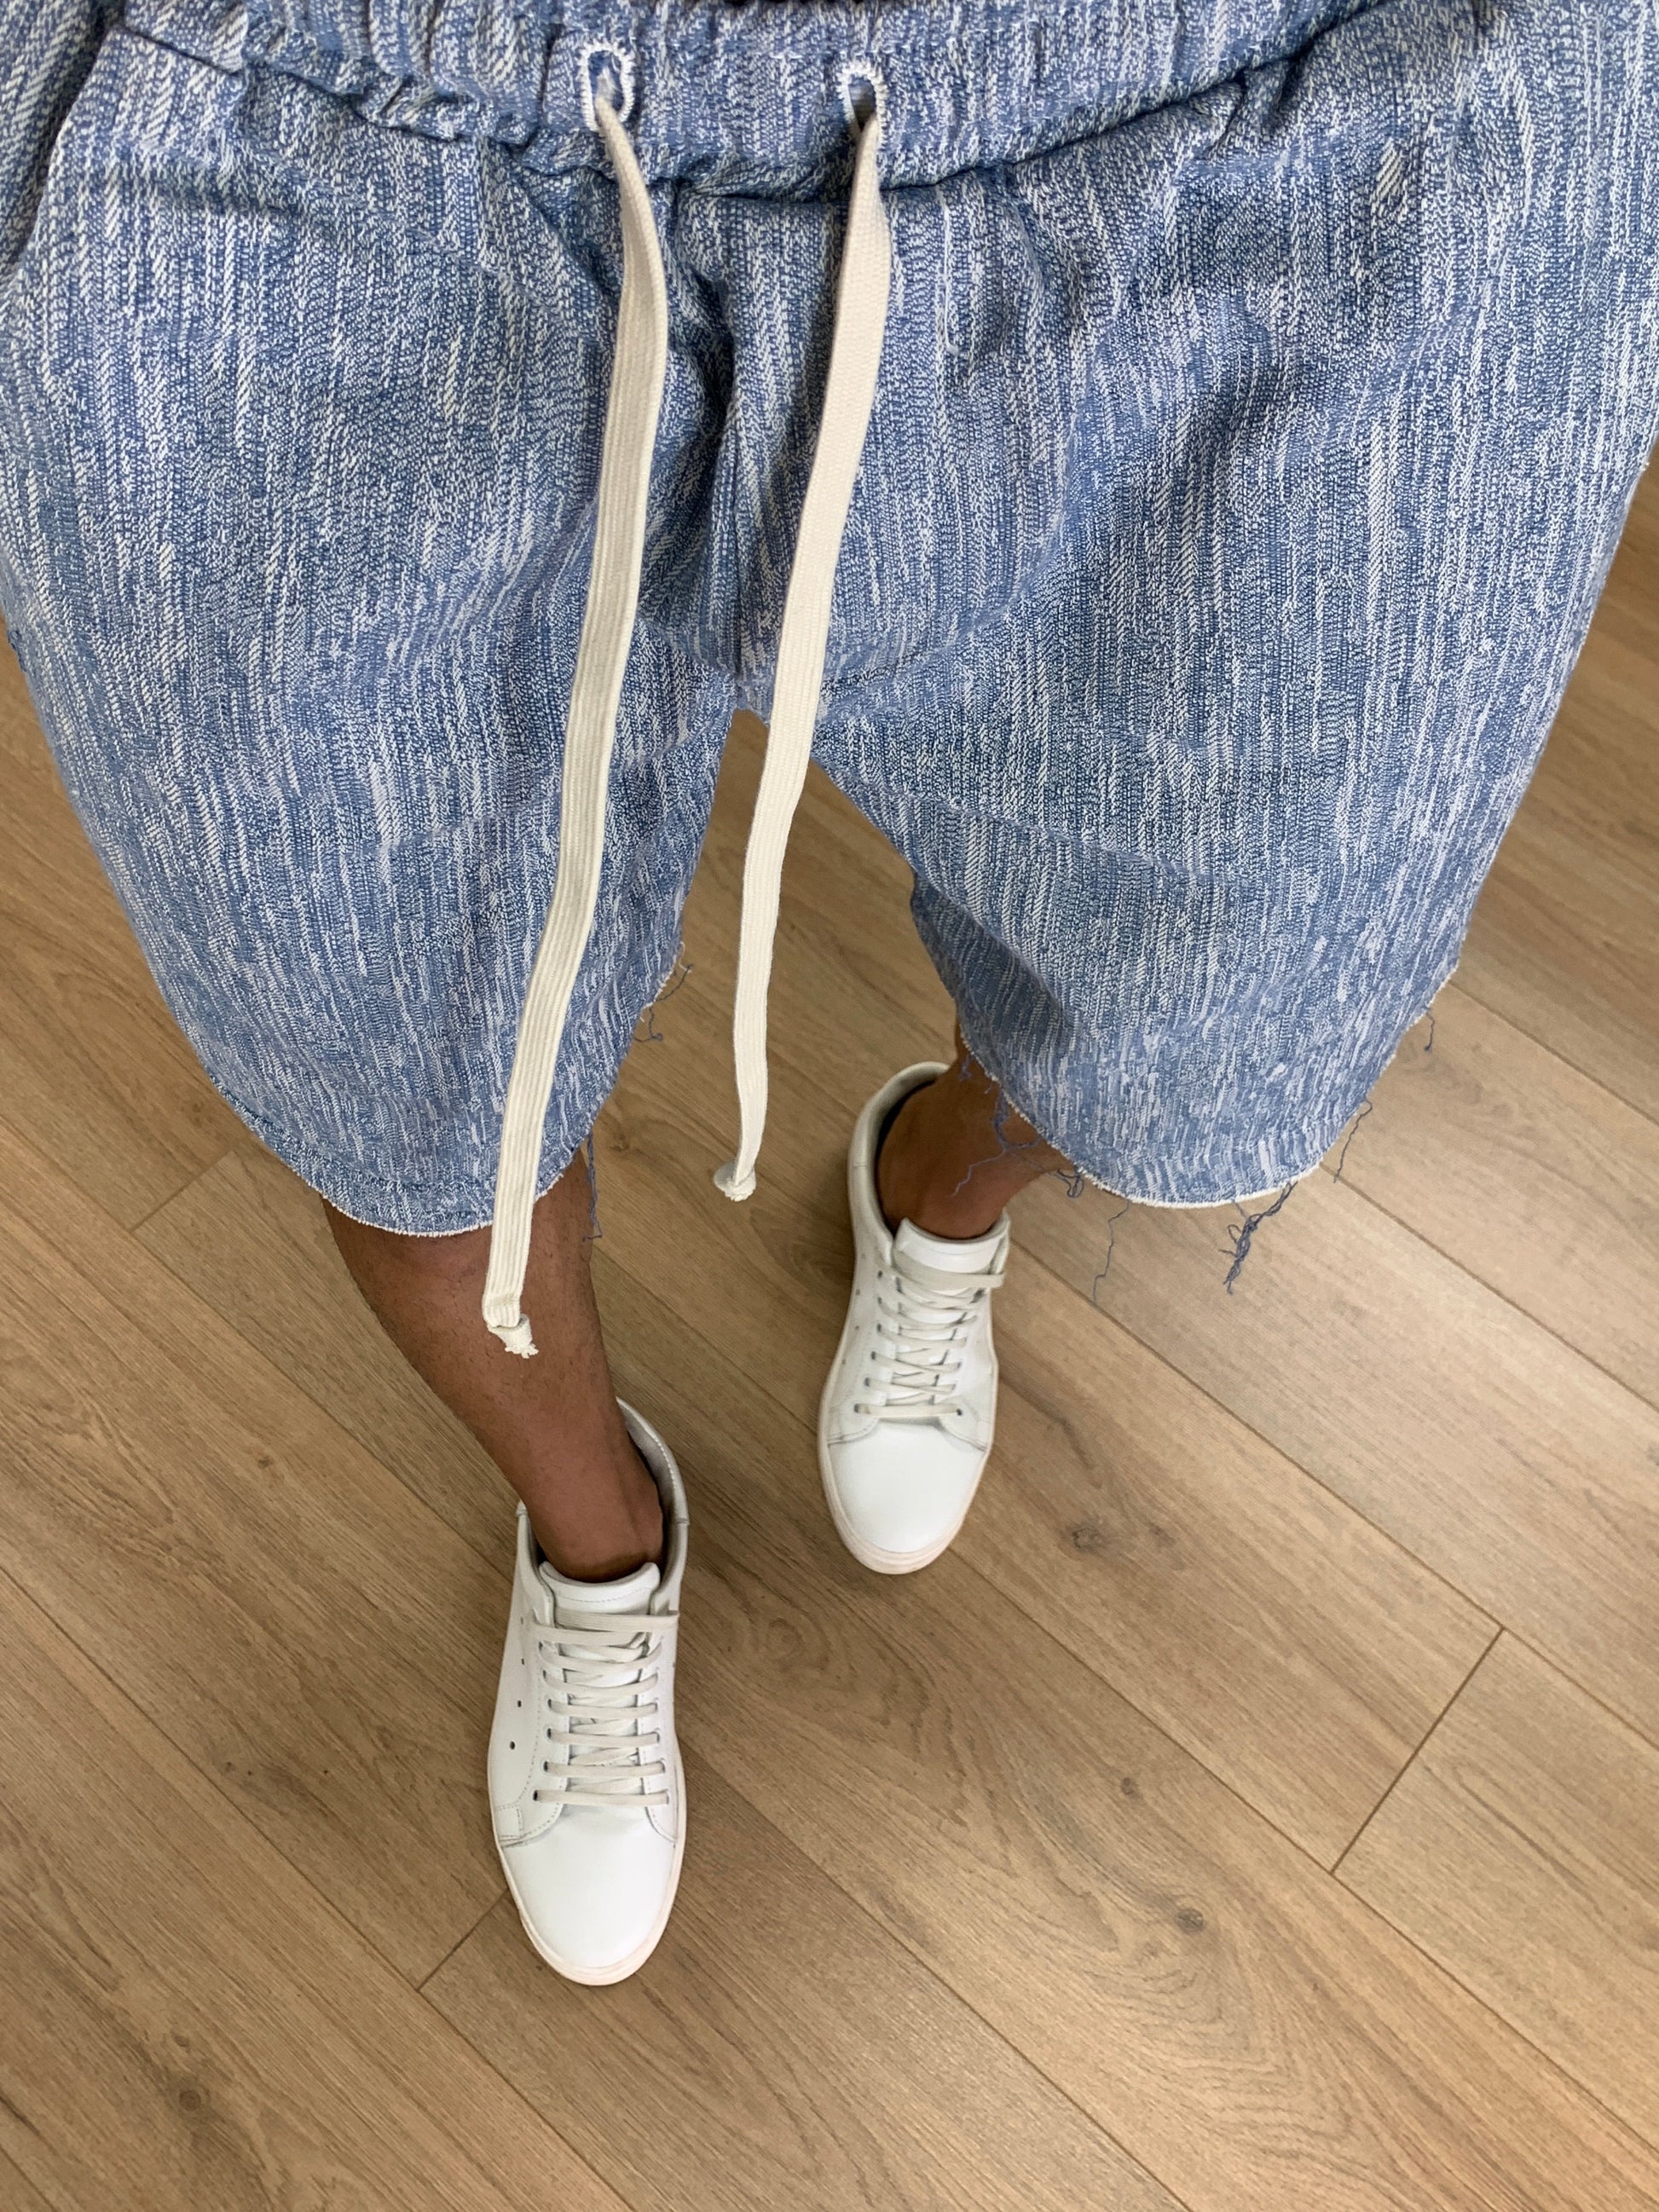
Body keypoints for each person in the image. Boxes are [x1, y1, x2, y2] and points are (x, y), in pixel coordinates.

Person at [2, 0, 1655, 1987]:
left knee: (1178, 1011)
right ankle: (598, 1534)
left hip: (1246, 116)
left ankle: (932, 1193)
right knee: (405, 1102)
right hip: (290, 122)